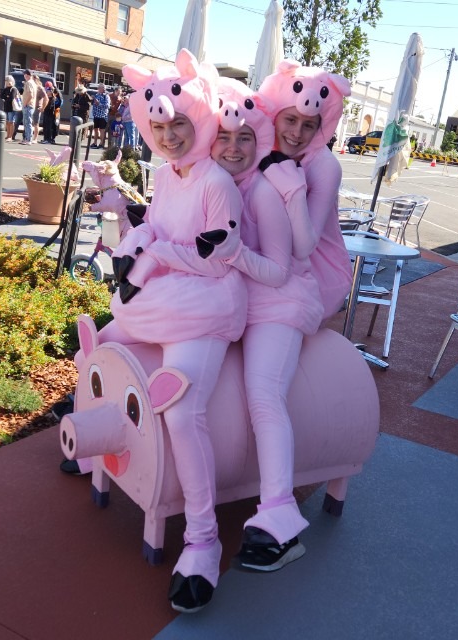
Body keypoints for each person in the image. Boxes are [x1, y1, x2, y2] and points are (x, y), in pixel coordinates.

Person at [73, 49, 248, 614]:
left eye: (179, 125)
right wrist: (140, 240)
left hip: (205, 309)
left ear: (199, 119)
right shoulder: (169, 175)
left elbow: (219, 259)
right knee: (101, 349)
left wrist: (154, 254)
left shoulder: (218, 183)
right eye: (160, 127)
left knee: (181, 412)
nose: (169, 136)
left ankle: (202, 540)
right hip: (162, 300)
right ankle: (90, 444)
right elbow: (158, 225)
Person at [207, 78, 324, 572]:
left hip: (277, 300)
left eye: (245, 137)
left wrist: (231, 253)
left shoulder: (263, 190)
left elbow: (280, 268)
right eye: (223, 136)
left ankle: (280, 520)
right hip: (235, 300)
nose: (233, 147)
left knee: (263, 394)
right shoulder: (214, 183)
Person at [259, 61, 353, 321]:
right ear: (275, 115)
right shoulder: (260, 149)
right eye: (290, 119)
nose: (297, 133)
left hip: (317, 273)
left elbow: (305, 247)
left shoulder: (325, 166)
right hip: (271, 260)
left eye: (309, 125)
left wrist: (294, 191)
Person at [0, 75, 19, 141]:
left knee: (11, 122)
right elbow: (1, 96)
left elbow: (11, 98)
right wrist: (6, 96)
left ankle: (10, 136)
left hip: (12, 108)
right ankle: (8, 135)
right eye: (6, 80)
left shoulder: (14, 89)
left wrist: (6, 97)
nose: (6, 82)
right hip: (6, 107)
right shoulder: (6, 89)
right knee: (7, 122)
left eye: (7, 80)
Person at [91, 83, 110, 149]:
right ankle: (95, 143)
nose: (103, 89)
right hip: (96, 116)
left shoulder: (106, 96)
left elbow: (107, 106)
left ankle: (101, 144)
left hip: (103, 116)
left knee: (102, 130)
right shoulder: (96, 95)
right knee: (95, 130)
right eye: (101, 87)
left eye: (104, 88)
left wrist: (99, 103)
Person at [31, 75, 48, 144]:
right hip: (31, 107)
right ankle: (28, 137)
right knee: (29, 123)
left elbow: (46, 98)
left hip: (37, 108)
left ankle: (35, 138)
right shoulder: (32, 87)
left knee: (36, 124)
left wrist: (43, 107)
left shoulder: (40, 88)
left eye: (34, 79)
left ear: (37, 80)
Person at [21, 69, 36, 145]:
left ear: (26, 75)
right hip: (30, 105)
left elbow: (31, 95)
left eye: (24, 74)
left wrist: (25, 103)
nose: (24, 76)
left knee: (27, 123)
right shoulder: (33, 82)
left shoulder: (29, 83)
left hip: (28, 105)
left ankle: (28, 139)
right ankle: (27, 138)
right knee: (27, 122)